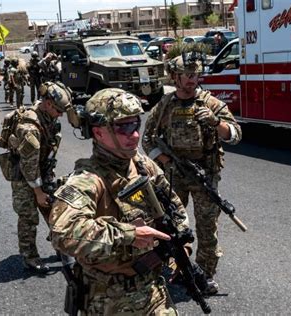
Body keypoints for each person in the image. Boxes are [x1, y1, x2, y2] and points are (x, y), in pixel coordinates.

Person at [50, 88, 186, 315]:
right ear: (99, 133)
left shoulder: (143, 166)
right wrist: (129, 234)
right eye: (123, 127)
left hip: (153, 291)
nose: (134, 135)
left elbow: (175, 208)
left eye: (136, 125)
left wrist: (182, 248)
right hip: (110, 300)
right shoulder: (87, 180)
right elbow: (63, 232)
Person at [142, 51, 242, 294]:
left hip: (204, 175)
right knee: (172, 227)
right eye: (187, 75)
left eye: (195, 75)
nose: (192, 80)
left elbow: (236, 135)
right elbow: (147, 138)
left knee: (207, 228)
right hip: (174, 176)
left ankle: (205, 274)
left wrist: (216, 123)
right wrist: (164, 159)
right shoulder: (165, 105)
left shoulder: (211, 104)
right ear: (175, 77)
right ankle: (177, 267)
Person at [8, 81, 72, 272]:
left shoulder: (48, 117)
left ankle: (62, 247)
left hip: (42, 170)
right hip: (24, 176)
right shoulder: (30, 128)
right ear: (48, 104)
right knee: (28, 218)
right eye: (58, 110)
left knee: (54, 209)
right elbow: (28, 166)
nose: (60, 115)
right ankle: (30, 257)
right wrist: (38, 192)